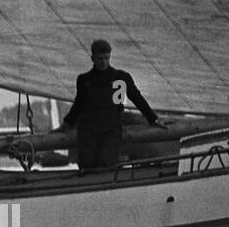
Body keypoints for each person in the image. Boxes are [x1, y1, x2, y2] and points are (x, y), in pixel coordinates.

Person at [59, 39, 164, 171]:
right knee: (87, 167)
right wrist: (67, 124)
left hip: (110, 131)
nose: (103, 61)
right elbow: (78, 105)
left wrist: (153, 119)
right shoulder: (84, 80)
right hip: (88, 132)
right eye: (100, 58)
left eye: (106, 58)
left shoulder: (121, 78)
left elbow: (137, 98)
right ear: (93, 58)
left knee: (106, 165)